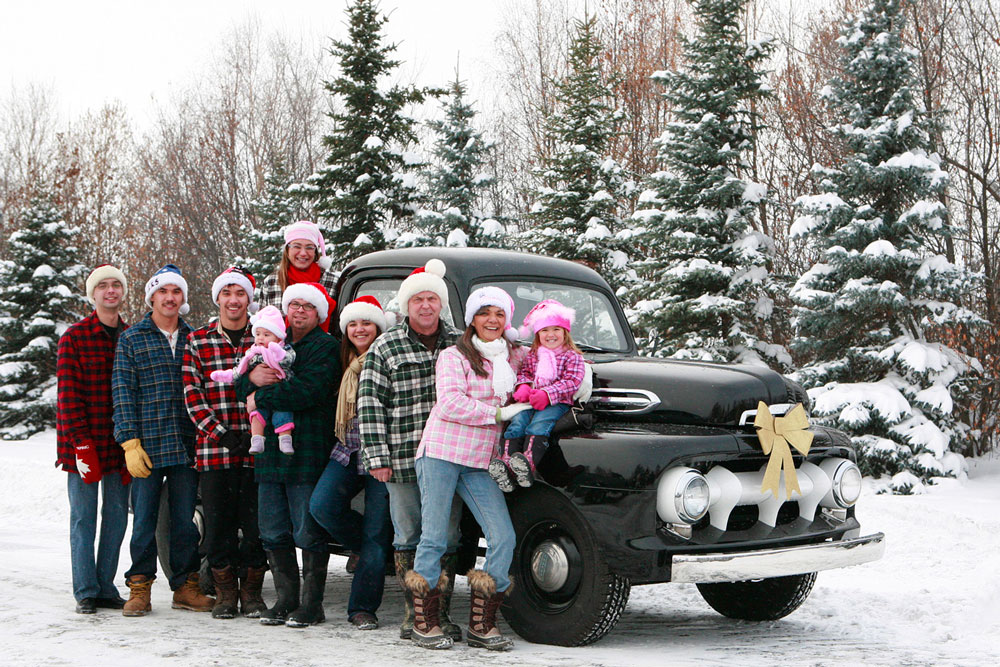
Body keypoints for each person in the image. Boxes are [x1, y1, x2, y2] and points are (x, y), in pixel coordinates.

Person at [406, 286, 528, 651]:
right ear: (472, 319)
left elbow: (550, 361)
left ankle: (481, 623)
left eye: (499, 314)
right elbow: (450, 404)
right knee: (435, 537)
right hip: (442, 452)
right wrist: (497, 414)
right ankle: (423, 621)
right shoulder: (453, 355)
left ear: (507, 320)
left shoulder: (517, 356)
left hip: (480, 461)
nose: (492, 320)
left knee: (503, 536)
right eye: (484, 313)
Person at [358, 259, 465, 641]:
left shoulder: (459, 344)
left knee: (447, 537)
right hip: (401, 459)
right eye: (417, 299)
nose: (425, 306)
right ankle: (413, 615)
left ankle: (442, 614)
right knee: (408, 535)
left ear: (440, 304)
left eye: (431, 299)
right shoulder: (385, 346)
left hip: (448, 459)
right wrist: (377, 458)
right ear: (407, 306)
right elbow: (369, 404)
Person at [236, 281, 341, 628]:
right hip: (269, 455)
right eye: (293, 304)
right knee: (272, 530)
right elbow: (240, 383)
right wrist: (252, 377)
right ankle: (285, 600)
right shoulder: (272, 340)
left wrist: (260, 397)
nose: (299, 311)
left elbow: (308, 390)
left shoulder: (325, 347)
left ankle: (312, 605)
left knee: (307, 531)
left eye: (307, 306)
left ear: (319, 313)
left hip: (307, 451)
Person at [113, 264, 215, 616]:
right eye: (163, 292)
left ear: (183, 298)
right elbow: (123, 391)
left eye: (176, 292)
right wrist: (129, 441)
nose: (169, 298)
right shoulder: (132, 338)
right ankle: (139, 587)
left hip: (187, 444)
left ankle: (185, 587)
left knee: (185, 521)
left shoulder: (195, 337)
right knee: (143, 520)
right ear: (152, 297)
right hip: (148, 446)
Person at [182, 266, 267, 620]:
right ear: (218, 298)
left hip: (257, 448)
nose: (234, 300)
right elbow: (192, 395)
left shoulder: (263, 338)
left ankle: (251, 593)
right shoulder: (198, 340)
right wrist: (223, 434)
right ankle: (225, 593)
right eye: (227, 293)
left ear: (249, 299)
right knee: (217, 528)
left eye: (241, 294)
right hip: (215, 450)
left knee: (255, 525)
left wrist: (254, 433)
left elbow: (277, 381)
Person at [309, 296, 393, 630]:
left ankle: (362, 608)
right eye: (354, 324)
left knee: (376, 532)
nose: (360, 329)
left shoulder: (387, 356)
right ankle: (372, 549)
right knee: (322, 506)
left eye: (367, 323)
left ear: (378, 327)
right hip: (347, 450)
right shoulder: (342, 361)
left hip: (381, 455)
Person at [56, 264, 131, 614]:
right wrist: (80, 442)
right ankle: (85, 589)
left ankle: (105, 585)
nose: (111, 291)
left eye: (116, 285)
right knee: (83, 518)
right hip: (82, 445)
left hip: (120, 445)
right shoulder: (74, 337)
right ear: (93, 294)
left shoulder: (131, 336)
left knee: (116, 516)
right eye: (104, 286)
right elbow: (68, 396)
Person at [490, 299, 586, 491]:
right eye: (544, 330)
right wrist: (523, 386)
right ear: (538, 334)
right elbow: (525, 372)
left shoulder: (572, 356)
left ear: (565, 332)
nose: (550, 335)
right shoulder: (534, 355)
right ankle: (506, 462)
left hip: (556, 402)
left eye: (556, 329)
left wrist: (547, 394)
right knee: (518, 421)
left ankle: (528, 463)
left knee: (540, 424)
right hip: (531, 400)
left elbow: (572, 381)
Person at [211, 305, 297, 456]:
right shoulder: (252, 352)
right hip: (259, 393)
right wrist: (231, 376)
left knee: (283, 414)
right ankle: (257, 439)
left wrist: (277, 351)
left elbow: (288, 360)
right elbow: (241, 370)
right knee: (256, 415)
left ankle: (285, 440)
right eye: (258, 334)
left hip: (280, 390)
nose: (261, 338)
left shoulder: (284, 349)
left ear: (278, 336)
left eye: (266, 334)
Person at [257, 220, 336, 312]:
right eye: (297, 246)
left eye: (309, 247)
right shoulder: (271, 282)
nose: (303, 253)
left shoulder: (331, 282)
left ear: (315, 251)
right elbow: (262, 322)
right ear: (287, 250)